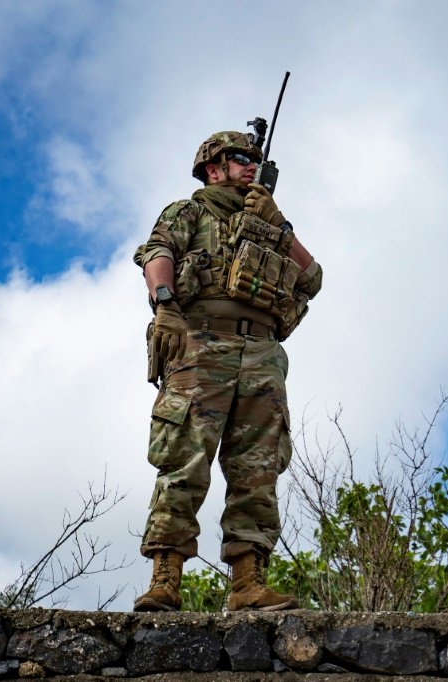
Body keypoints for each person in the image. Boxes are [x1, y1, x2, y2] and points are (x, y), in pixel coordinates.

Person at [131, 131, 322, 612]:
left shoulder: (270, 226)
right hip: (201, 343)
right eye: (241, 159)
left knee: (257, 471)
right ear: (214, 168)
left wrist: (279, 226)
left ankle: (248, 584)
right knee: (184, 462)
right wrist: (165, 306)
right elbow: (157, 254)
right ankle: (165, 579)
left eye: (255, 160)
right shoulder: (189, 211)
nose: (251, 166)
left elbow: (313, 277)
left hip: (261, 352)